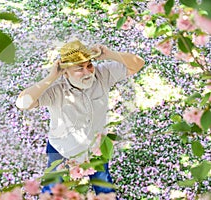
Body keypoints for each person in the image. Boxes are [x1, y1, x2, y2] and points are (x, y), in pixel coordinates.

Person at [16, 40, 145, 196]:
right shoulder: (56, 90)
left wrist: (110, 54)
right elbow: (23, 103)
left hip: (95, 148)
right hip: (62, 149)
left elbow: (138, 64)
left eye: (89, 65)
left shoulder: (102, 74)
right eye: (79, 69)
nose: (87, 72)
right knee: (51, 191)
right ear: (65, 72)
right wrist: (51, 76)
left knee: (104, 187)